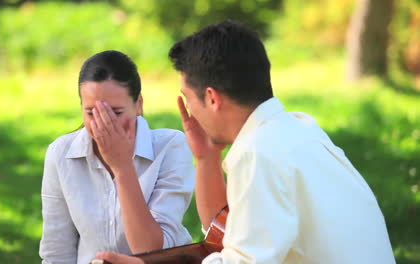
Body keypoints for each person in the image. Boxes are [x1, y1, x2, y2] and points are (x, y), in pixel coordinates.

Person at [96, 21, 396, 264]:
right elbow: (224, 236)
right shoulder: (295, 128)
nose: (190, 110)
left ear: (211, 98)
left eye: (188, 98)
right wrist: (206, 157)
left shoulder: (260, 151)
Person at [39, 50, 194, 264]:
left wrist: (122, 168)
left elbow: (152, 251)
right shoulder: (61, 153)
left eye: (116, 112)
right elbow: (57, 253)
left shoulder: (170, 147)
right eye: (92, 112)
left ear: (138, 104)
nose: (103, 123)